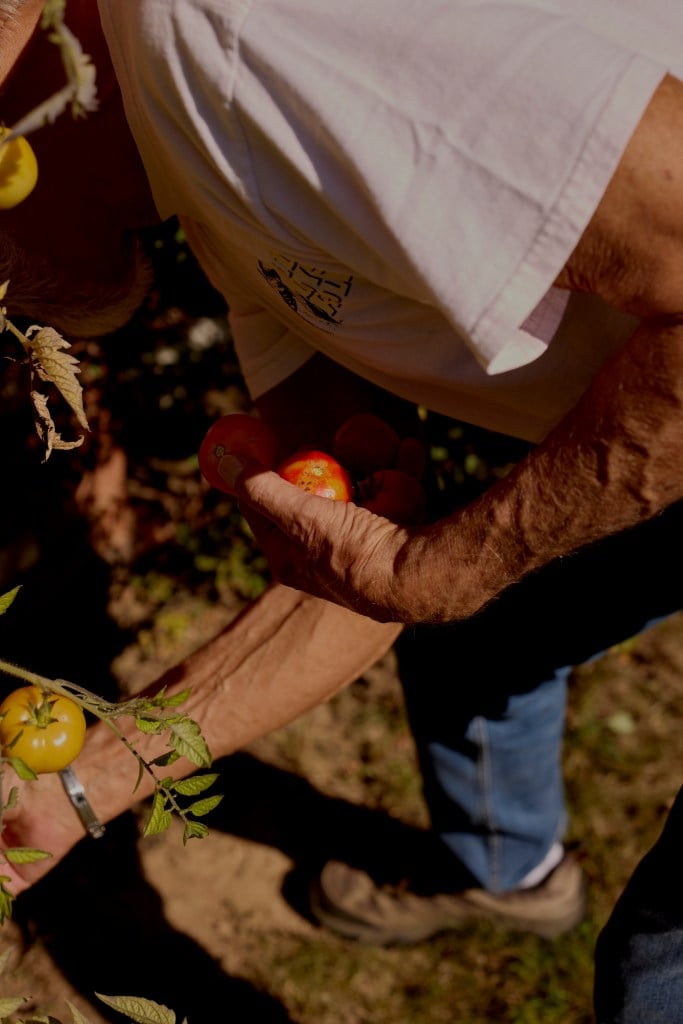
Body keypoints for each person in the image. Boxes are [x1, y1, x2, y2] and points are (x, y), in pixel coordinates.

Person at [2, 0, 683, 1018]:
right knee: (477, 645)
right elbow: (359, 555)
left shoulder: (229, 33)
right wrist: (65, 790)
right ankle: (510, 875)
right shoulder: (199, 163)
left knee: (657, 980)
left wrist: (453, 568)